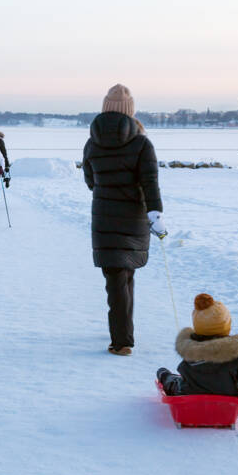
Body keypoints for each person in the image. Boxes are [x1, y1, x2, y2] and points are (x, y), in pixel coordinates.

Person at [82, 84, 165, 356]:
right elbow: (150, 183)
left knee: (115, 278)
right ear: (131, 112)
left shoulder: (92, 142)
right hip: (134, 218)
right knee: (127, 275)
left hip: (105, 219)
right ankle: (122, 337)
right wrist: (155, 214)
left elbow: (90, 181)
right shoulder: (141, 143)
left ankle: (121, 338)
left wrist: (108, 189)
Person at [157, 293, 238, 407]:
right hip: (226, 405)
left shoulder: (191, 352)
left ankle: (164, 375)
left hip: (190, 401)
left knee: (174, 382)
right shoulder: (237, 358)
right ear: (226, 326)